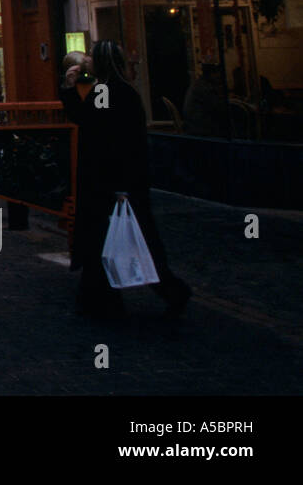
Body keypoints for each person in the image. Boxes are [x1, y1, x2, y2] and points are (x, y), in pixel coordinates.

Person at [61, 41, 191, 320]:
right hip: (111, 180)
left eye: (93, 58)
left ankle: (168, 290)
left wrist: (122, 185)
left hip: (112, 181)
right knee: (109, 240)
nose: (88, 62)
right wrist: (73, 87)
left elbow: (94, 123)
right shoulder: (112, 90)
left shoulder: (112, 92)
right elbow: (86, 115)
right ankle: (101, 300)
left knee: (124, 238)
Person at [182, 63, 228, 137]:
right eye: (217, 73)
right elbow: (217, 108)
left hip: (193, 124)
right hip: (200, 128)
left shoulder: (199, 83)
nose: (219, 76)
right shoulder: (205, 87)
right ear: (211, 74)